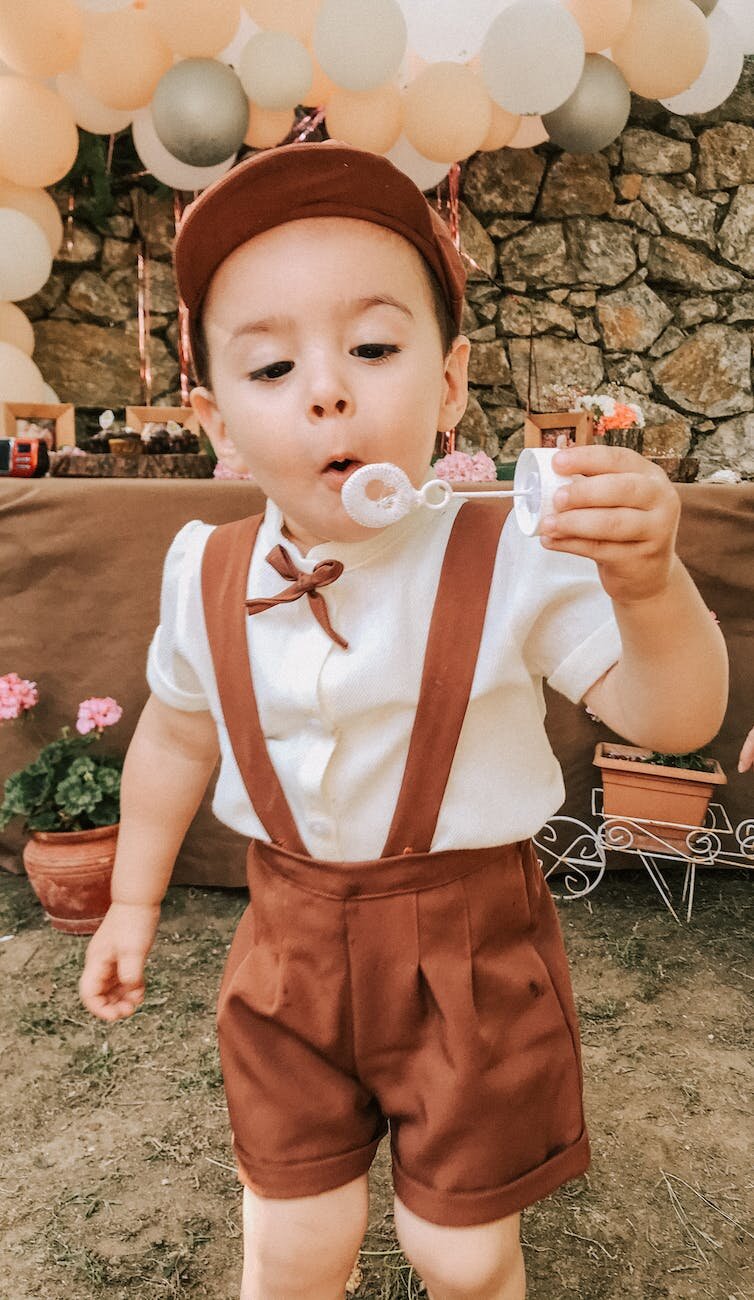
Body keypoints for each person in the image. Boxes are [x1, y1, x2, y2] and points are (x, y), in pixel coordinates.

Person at [79, 141, 729, 1300]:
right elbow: (179, 736)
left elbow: (673, 720)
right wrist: (132, 896)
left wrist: (648, 586)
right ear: (213, 417)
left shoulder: (515, 556)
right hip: (285, 940)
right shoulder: (206, 571)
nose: (328, 386)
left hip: (468, 942)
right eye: (271, 365)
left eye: (374, 348)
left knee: (461, 1252)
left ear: (446, 381)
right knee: (293, 1243)